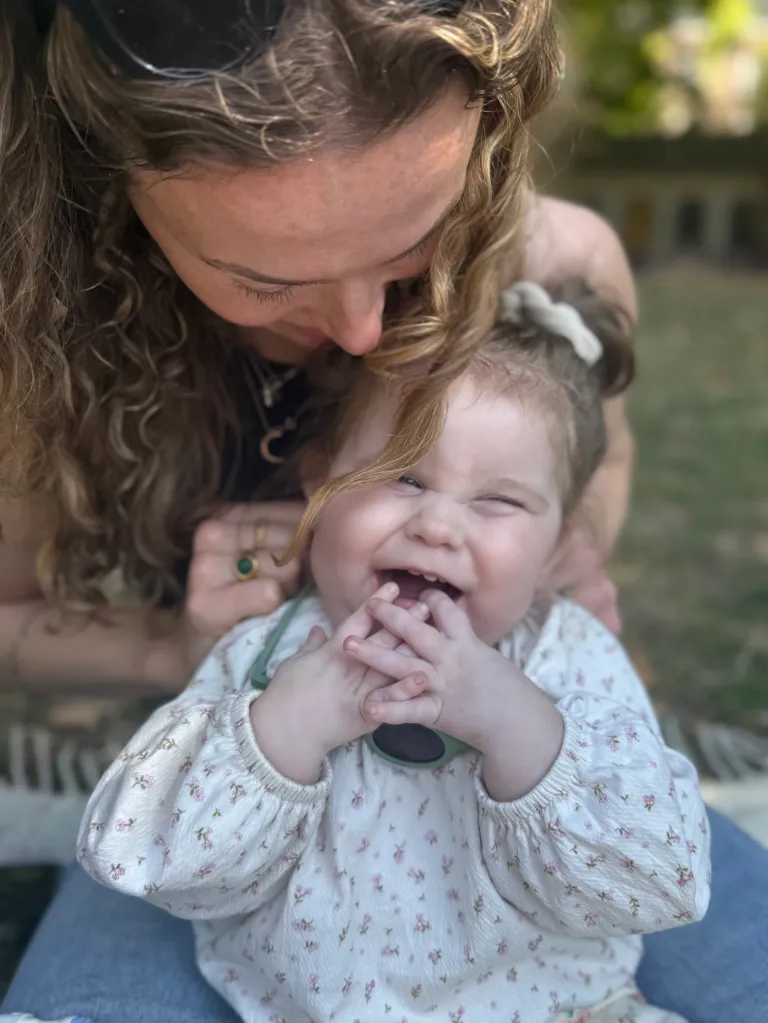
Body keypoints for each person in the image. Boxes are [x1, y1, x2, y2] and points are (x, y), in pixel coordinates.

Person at [0, 2, 764, 1023]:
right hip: (261, 821)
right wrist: (170, 649)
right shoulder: (39, 341)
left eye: (412, 247)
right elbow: (153, 834)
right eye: (263, 279)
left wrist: (556, 562)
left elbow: (602, 464)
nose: (362, 330)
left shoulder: (561, 271)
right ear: (117, 190)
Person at [77, 281, 710, 1023]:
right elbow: (155, 861)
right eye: (404, 476)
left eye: (498, 501)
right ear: (319, 483)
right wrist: (289, 726)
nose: (439, 525)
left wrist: (512, 721)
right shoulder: (266, 652)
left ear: (558, 546)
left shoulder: (571, 659)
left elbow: (659, 881)